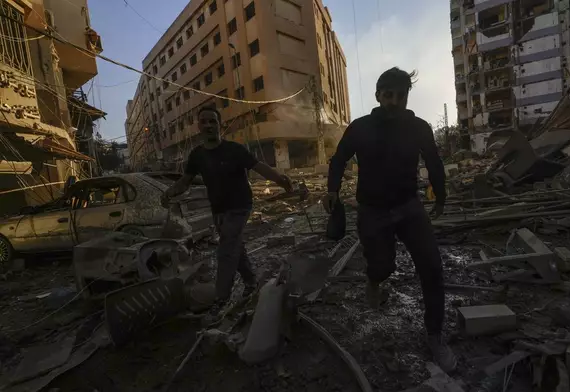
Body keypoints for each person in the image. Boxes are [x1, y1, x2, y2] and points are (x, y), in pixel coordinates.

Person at [323, 67, 456, 372]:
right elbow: (339, 158)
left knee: (432, 268)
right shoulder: (360, 128)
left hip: (409, 207)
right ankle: (373, 280)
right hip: (372, 210)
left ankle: (435, 335)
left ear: (407, 96)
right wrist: (332, 191)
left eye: (401, 95)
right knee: (383, 267)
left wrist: (442, 195)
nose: (395, 101)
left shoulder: (419, 128)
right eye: (388, 95)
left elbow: (434, 161)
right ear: (378, 95)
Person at [161, 105, 293, 313]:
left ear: (219, 125)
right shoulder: (197, 156)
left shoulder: (234, 150)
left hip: (240, 206)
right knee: (235, 247)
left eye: (212, 121)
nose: (208, 125)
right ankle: (251, 282)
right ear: (199, 127)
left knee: (226, 250)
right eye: (204, 121)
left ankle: (221, 298)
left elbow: (259, 167)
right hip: (219, 210)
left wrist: (281, 180)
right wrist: (169, 193)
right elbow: (185, 182)